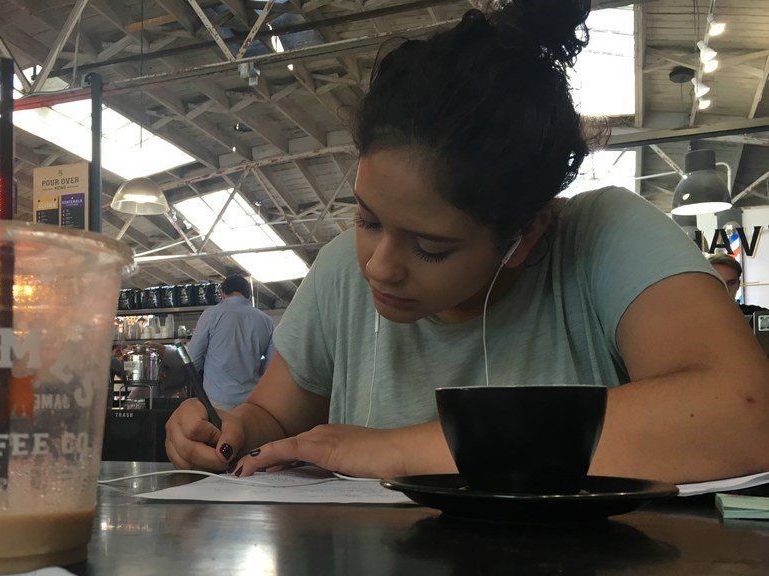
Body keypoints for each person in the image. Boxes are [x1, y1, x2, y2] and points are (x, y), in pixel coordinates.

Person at [165, 0, 769, 483]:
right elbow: (273, 418)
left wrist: (400, 450)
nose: (379, 267)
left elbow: (744, 414)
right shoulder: (339, 273)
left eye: (429, 247)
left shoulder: (601, 237)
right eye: (367, 220)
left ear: (524, 235)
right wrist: (232, 430)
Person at [184, 274, 275, 411]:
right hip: (251, 401)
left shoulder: (211, 315)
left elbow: (193, 358)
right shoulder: (266, 320)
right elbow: (271, 364)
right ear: (249, 295)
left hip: (218, 400)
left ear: (222, 294)